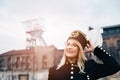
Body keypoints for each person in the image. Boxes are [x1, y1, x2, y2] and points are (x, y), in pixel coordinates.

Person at [48, 30, 120, 80]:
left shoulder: (90, 66)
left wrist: (95, 50)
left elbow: (114, 67)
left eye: (74, 45)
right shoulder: (54, 70)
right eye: (68, 44)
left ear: (80, 49)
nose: (69, 47)